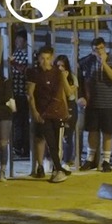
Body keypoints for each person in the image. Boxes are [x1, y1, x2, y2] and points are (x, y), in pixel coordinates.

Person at [27, 45, 75, 182]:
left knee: (56, 143)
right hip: (43, 113)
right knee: (49, 141)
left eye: (47, 58)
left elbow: (66, 93)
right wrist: (35, 111)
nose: (45, 61)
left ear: (52, 58)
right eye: (42, 58)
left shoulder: (57, 73)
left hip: (56, 111)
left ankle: (58, 168)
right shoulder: (34, 73)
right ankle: (58, 168)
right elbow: (30, 94)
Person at [77, 37, 112, 172]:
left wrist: (104, 64)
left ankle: (106, 160)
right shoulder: (88, 61)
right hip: (93, 103)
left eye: (101, 48)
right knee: (92, 131)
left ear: (105, 47)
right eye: (96, 49)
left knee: (107, 132)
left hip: (110, 103)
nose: (99, 51)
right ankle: (90, 159)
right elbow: (77, 68)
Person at [8, 29, 31, 158]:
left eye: (19, 39)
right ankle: (17, 147)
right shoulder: (15, 53)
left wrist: (14, 64)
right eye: (16, 39)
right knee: (16, 121)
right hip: (14, 93)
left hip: (24, 93)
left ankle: (25, 147)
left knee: (25, 122)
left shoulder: (29, 55)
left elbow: (27, 71)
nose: (17, 42)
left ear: (26, 41)